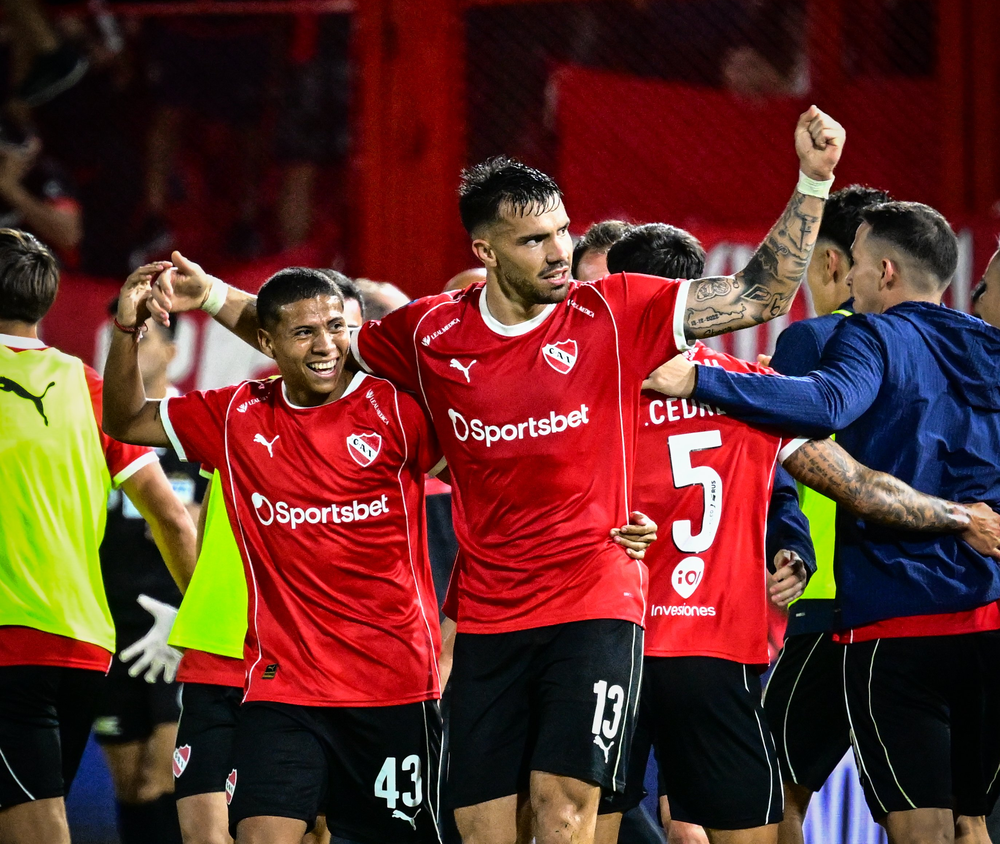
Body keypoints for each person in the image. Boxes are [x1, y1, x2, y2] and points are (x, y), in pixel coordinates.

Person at [147, 106, 846, 844]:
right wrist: (213, 297)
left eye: (561, 232)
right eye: (534, 240)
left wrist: (814, 178)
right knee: (481, 827)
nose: (557, 253)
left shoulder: (615, 312)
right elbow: (312, 343)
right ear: (485, 249)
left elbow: (759, 295)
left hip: (594, 604)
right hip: (489, 613)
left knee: (564, 811)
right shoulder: (429, 332)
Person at [597, 220, 998, 844]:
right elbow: (842, 481)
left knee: (588, 813)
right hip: (972, 613)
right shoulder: (988, 350)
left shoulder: (835, 340)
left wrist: (708, 381)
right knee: (969, 822)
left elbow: (827, 414)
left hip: (862, 622)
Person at [0, 229, 197, 844]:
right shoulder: (88, 387)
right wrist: (211, 636)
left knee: (38, 827)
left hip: (14, 641)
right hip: (87, 644)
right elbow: (172, 517)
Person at [168, 269, 362, 844]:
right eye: (307, 329)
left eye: (340, 328)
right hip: (222, 654)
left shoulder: (379, 434)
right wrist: (209, 294)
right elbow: (201, 523)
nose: (326, 343)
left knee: (307, 830)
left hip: (315, 663)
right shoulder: (243, 417)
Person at [755, 184, 890, 844]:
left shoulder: (810, 340)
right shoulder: (952, 345)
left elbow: (773, 464)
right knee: (933, 808)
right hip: (939, 611)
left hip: (834, 608)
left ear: (833, 263)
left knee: (767, 784)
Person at [93, 310, 205, 844]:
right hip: (109, 630)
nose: (132, 351)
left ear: (173, 352)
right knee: (130, 786)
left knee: (162, 778)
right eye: (123, 340)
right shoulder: (91, 427)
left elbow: (213, 537)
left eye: (145, 340)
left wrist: (192, 619)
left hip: (175, 631)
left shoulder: (197, 429)